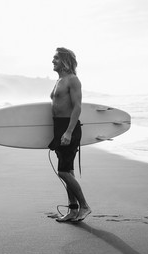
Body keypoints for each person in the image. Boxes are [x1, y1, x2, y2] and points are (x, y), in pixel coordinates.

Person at [48, 47, 91, 222]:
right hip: (59, 128)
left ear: (65, 61)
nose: (52, 61)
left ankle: (85, 206)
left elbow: (77, 107)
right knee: (68, 171)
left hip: (68, 128)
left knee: (63, 172)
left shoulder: (73, 80)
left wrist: (68, 132)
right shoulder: (59, 80)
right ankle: (73, 210)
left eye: (56, 58)